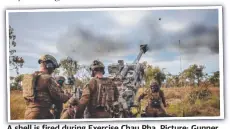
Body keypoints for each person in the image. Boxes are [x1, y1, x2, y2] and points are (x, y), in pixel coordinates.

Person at [22, 54, 71, 119]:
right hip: (41, 114)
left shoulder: (31, 78)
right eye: (53, 67)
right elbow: (57, 96)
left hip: (29, 113)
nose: (53, 70)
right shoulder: (47, 78)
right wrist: (68, 96)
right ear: (49, 65)